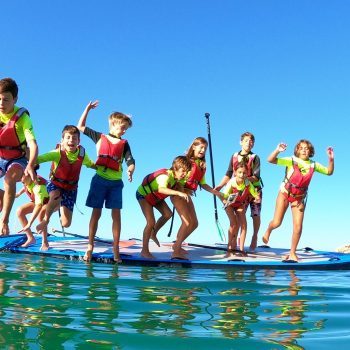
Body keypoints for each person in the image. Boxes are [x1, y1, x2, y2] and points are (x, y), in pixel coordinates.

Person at [77, 101, 135, 263]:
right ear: (112, 124)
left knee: (116, 215)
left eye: (126, 128)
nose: (124, 131)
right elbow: (80, 126)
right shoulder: (99, 137)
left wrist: (130, 169)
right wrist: (87, 109)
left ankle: (116, 248)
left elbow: (130, 160)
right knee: (96, 213)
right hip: (99, 181)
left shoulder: (125, 144)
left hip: (116, 183)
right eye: (122, 127)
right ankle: (90, 246)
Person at [262, 140, 335, 262]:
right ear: (297, 150)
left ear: (310, 151)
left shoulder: (313, 165)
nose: (304, 150)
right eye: (301, 148)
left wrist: (331, 160)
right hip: (285, 193)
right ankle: (269, 230)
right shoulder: (291, 160)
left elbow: (329, 172)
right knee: (277, 222)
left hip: (299, 198)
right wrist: (277, 151)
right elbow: (270, 160)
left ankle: (292, 253)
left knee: (298, 227)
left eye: (307, 148)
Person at [36, 125, 95, 249]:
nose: (71, 140)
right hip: (54, 184)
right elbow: (39, 159)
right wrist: (27, 158)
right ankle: (46, 221)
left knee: (66, 223)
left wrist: (102, 167)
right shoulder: (56, 153)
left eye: (74, 138)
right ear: (62, 140)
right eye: (68, 137)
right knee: (55, 195)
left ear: (79, 141)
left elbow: (90, 164)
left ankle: (56, 206)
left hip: (71, 189)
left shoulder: (82, 155)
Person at [171, 137, 223, 259]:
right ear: (193, 147)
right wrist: (178, 190)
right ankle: (176, 252)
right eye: (201, 147)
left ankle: (176, 245)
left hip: (188, 195)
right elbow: (174, 175)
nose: (203, 150)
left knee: (194, 223)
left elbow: (203, 184)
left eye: (205, 148)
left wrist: (217, 193)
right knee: (187, 222)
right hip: (178, 193)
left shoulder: (202, 166)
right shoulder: (186, 161)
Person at [0, 78, 38, 236]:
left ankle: (4, 221)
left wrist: (30, 165)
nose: (1, 103)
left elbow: (33, 145)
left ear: (15, 99)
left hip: (18, 159)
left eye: (6, 100)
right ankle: (4, 196)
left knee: (9, 179)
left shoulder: (23, 118)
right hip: (1, 156)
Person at [136, 156, 192, 259]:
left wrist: (185, 191)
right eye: (182, 171)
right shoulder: (165, 176)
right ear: (175, 168)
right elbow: (161, 189)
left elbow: (180, 187)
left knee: (168, 214)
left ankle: (153, 233)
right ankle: (144, 251)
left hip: (155, 197)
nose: (184, 174)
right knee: (151, 222)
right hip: (143, 195)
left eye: (186, 172)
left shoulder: (176, 179)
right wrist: (178, 193)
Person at [215, 132, 262, 251]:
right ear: (241, 142)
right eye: (246, 140)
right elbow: (229, 173)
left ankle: (255, 236)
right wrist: (220, 186)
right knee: (239, 217)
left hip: (253, 189)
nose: (249, 143)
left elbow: (256, 177)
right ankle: (234, 243)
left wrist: (243, 180)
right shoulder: (234, 156)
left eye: (251, 141)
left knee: (255, 214)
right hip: (240, 191)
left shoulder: (255, 157)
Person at [221, 162, 259, 256]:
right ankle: (229, 248)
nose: (242, 175)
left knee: (244, 226)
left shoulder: (248, 183)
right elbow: (224, 196)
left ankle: (241, 249)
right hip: (229, 204)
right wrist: (226, 202)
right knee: (233, 224)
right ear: (235, 172)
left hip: (239, 204)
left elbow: (255, 194)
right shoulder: (231, 182)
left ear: (247, 174)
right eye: (240, 172)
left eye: (244, 173)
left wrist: (257, 198)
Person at [16, 172, 52, 249]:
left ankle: (45, 242)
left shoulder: (39, 184)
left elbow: (39, 206)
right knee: (20, 211)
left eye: (21, 178)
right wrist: (18, 194)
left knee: (41, 214)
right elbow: (26, 186)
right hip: (38, 201)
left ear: (28, 175)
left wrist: (29, 224)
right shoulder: (27, 181)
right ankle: (30, 238)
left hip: (50, 201)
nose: (20, 180)